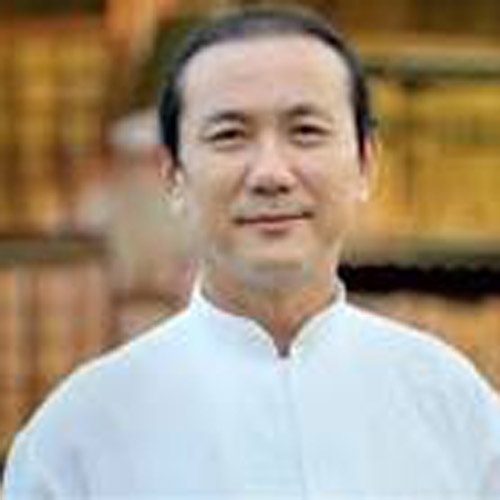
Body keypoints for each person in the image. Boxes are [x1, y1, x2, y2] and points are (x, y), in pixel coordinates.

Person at [3, 6, 500, 498]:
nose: (270, 174)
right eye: (230, 135)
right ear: (174, 175)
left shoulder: (454, 405)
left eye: (306, 131)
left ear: (366, 164)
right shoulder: (76, 437)